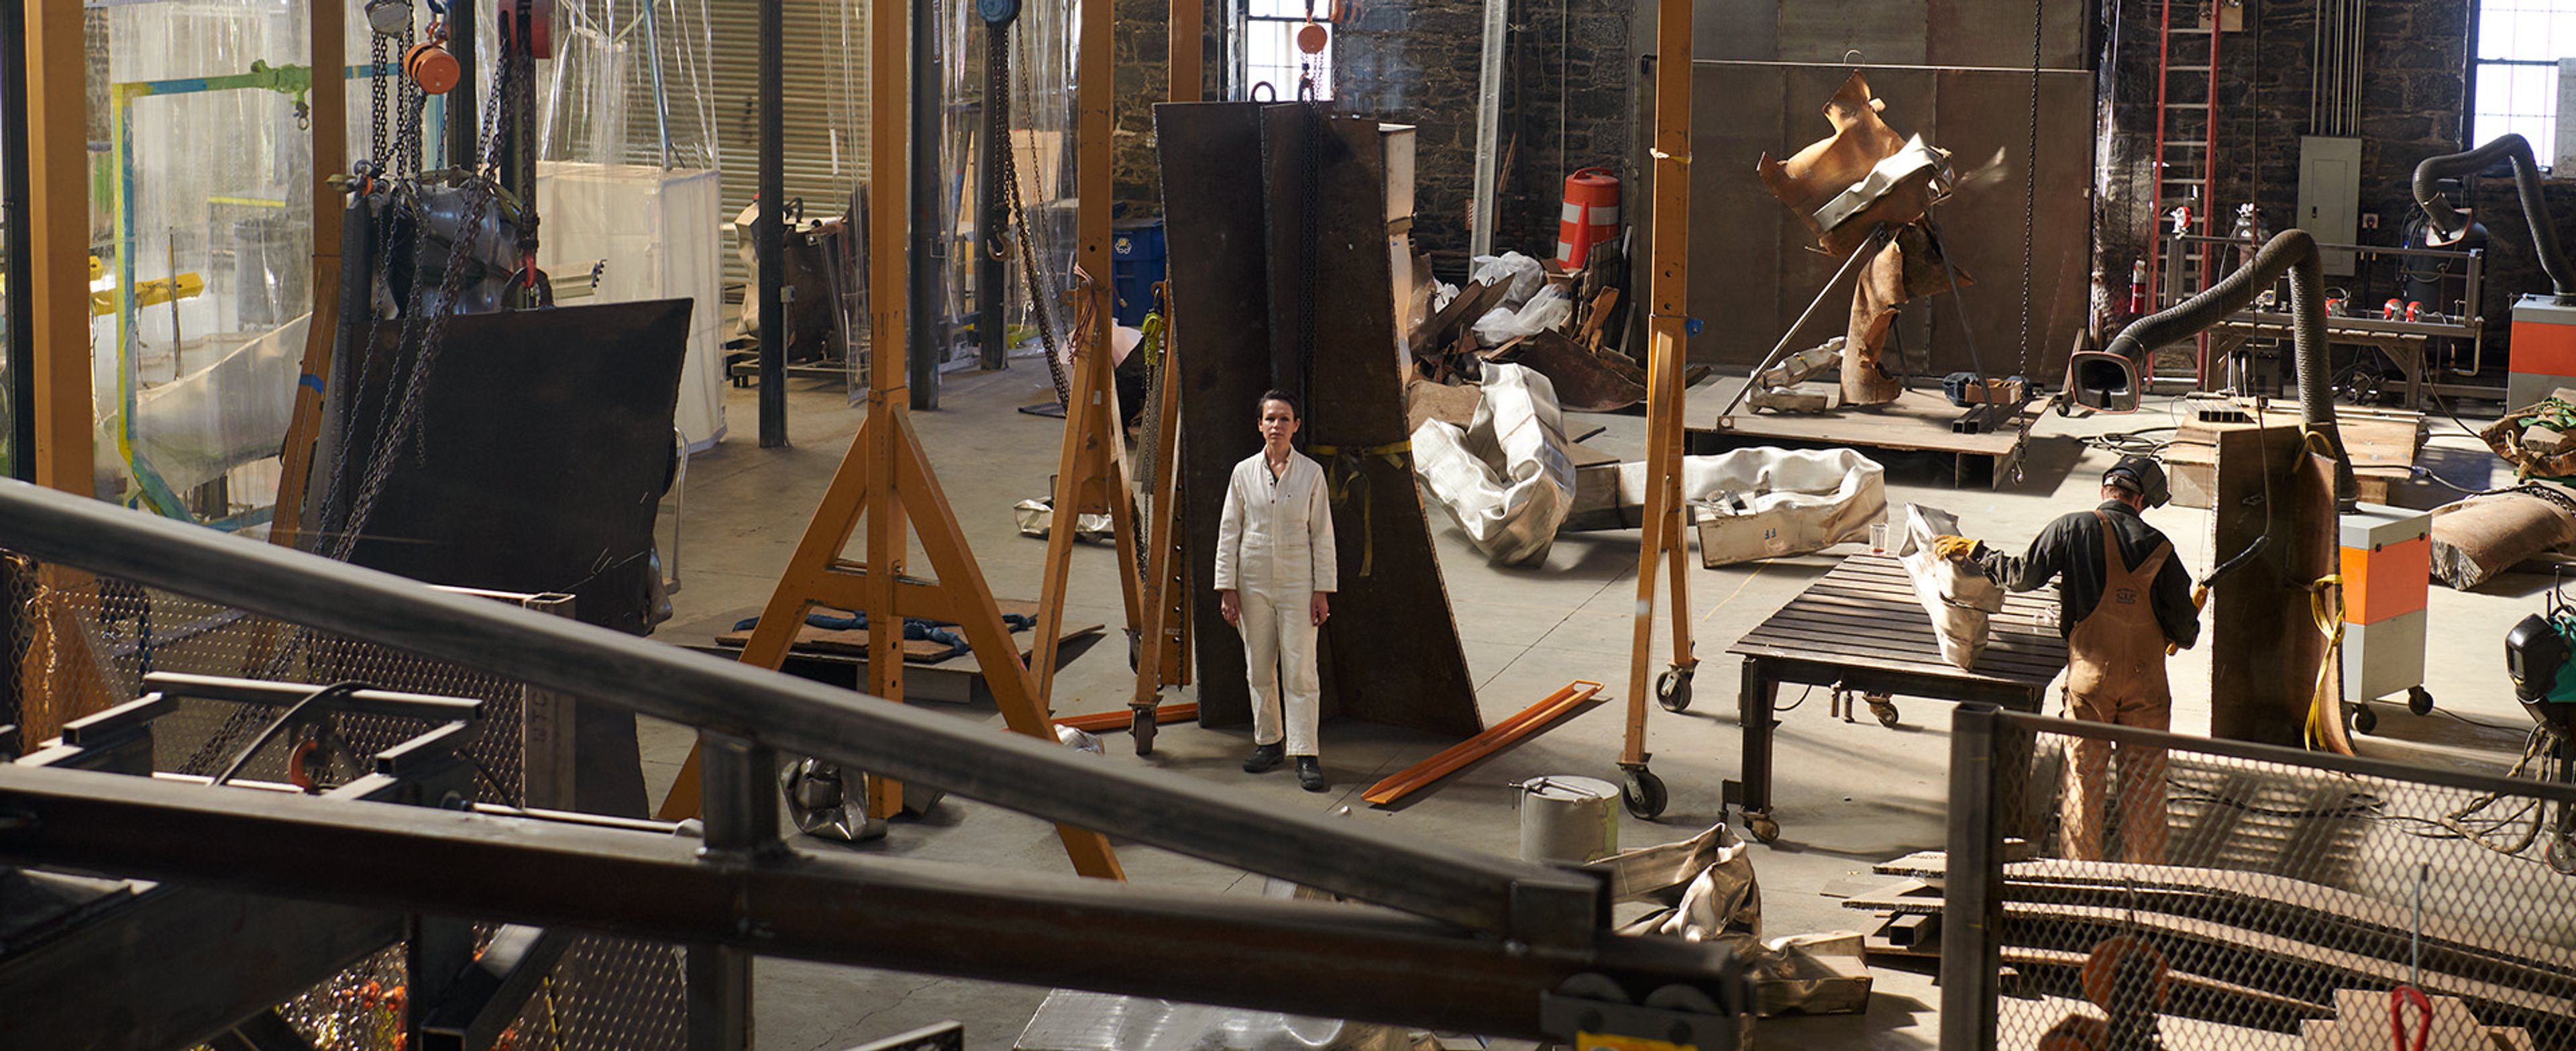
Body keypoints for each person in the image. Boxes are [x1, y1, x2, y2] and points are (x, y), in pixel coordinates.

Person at [1949, 454, 2199, 863]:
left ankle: (2081, 885)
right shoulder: (2162, 548)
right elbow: (2186, 633)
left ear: (2105, 491)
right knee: (2147, 786)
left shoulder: (2073, 526)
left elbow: (2022, 576)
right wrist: (2178, 624)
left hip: (2090, 682)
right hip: (2147, 685)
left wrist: (1979, 553)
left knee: (2084, 781)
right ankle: (2148, 885)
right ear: (2141, 502)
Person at [1214, 390, 1338, 792]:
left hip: (1298, 584)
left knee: (1301, 670)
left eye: (1284, 419)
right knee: (1259, 666)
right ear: (1259, 425)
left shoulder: (1310, 474)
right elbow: (1229, 531)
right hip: (1252, 583)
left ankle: (1306, 753)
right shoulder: (1243, 474)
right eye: (1270, 419)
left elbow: (1322, 535)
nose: (1277, 426)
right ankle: (1268, 743)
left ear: (1296, 426)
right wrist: (1227, 587)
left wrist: (1322, 590)